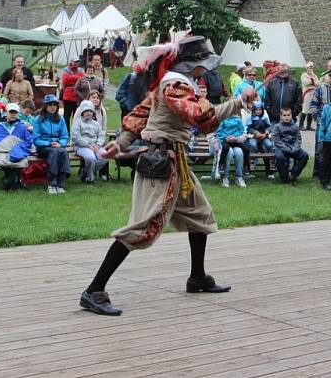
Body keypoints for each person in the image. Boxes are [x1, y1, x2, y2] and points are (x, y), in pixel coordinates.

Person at [79, 36, 254, 316]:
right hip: (160, 163)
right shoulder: (175, 84)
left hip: (176, 161)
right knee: (141, 228)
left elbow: (199, 121)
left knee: (199, 215)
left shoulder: (178, 84)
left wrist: (119, 143)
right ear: (194, 64)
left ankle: (197, 277)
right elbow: (196, 115)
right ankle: (94, 290)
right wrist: (236, 102)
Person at [0, 103, 33, 190]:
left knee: (18, 159)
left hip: (18, 151)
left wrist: (17, 149)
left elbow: (28, 141)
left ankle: (9, 181)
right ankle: (12, 182)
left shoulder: (22, 126)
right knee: (6, 160)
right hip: (2, 152)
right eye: (11, 112)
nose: (13, 114)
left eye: (15, 112)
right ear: (6, 112)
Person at [34, 94, 71, 194]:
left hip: (57, 146)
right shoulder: (38, 119)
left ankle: (61, 182)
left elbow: (65, 136)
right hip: (43, 147)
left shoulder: (61, 119)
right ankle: (52, 183)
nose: (52, 107)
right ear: (45, 106)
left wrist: (60, 143)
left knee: (63, 151)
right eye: (49, 104)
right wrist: (49, 143)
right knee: (54, 152)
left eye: (54, 104)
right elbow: (36, 139)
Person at [310, 69, 331, 179]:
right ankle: (317, 174)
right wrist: (318, 119)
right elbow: (313, 105)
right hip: (323, 125)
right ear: (328, 76)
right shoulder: (320, 88)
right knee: (319, 149)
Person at [72, 100, 107, 183]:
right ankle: (89, 179)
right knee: (91, 158)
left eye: (91, 111)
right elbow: (76, 137)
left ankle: (85, 171)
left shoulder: (96, 124)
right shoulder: (77, 123)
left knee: (105, 156)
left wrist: (98, 145)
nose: (89, 113)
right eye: (86, 111)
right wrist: (88, 145)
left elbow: (101, 135)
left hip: (95, 145)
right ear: (82, 112)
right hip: (82, 146)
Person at [271, 107, 309, 185]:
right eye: (284, 115)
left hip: (293, 147)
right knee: (279, 157)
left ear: (291, 115)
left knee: (304, 155)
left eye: (288, 115)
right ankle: (285, 177)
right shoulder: (277, 127)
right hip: (281, 148)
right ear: (281, 116)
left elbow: (298, 139)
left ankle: (293, 174)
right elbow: (276, 140)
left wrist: (295, 148)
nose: (287, 117)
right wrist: (286, 148)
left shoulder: (295, 127)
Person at [216, 109, 247, 188]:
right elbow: (219, 131)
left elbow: (241, 130)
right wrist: (226, 137)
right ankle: (224, 176)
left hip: (234, 140)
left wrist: (235, 137)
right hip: (225, 140)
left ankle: (240, 176)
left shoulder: (238, 119)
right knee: (228, 151)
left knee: (241, 151)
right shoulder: (222, 119)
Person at [244, 101, 274, 179]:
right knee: (253, 145)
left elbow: (268, 126)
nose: (258, 111)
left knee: (269, 145)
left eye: (260, 109)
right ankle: (252, 162)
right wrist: (255, 133)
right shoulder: (250, 118)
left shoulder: (265, 117)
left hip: (264, 136)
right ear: (254, 110)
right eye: (256, 110)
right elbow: (249, 128)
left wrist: (267, 132)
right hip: (254, 137)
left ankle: (271, 165)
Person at [60, 57, 84, 131]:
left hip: (77, 97)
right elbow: (65, 80)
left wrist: (71, 77)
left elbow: (82, 78)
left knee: (77, 116)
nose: (77, 63)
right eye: (75, 61)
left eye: (78, 62)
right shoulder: (65, 70)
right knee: (66, 116)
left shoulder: (81, 70)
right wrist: (76, 78)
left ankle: (75, 131)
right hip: (68, 97)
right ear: (71, 61)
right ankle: (66, 132)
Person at [299, 62, 318, 130]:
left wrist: (312, 81)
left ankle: (308, 126)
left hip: (313, 94)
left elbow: (317, 84)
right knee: (305, 109)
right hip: (307, 94)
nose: (310, 69)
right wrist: (312, 81)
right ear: (306, 68)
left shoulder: (314, 76)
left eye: (311, 67)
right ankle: (300, 125)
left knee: (311, 110)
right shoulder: (304, 75)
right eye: (308, 68)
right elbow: (306, 82)